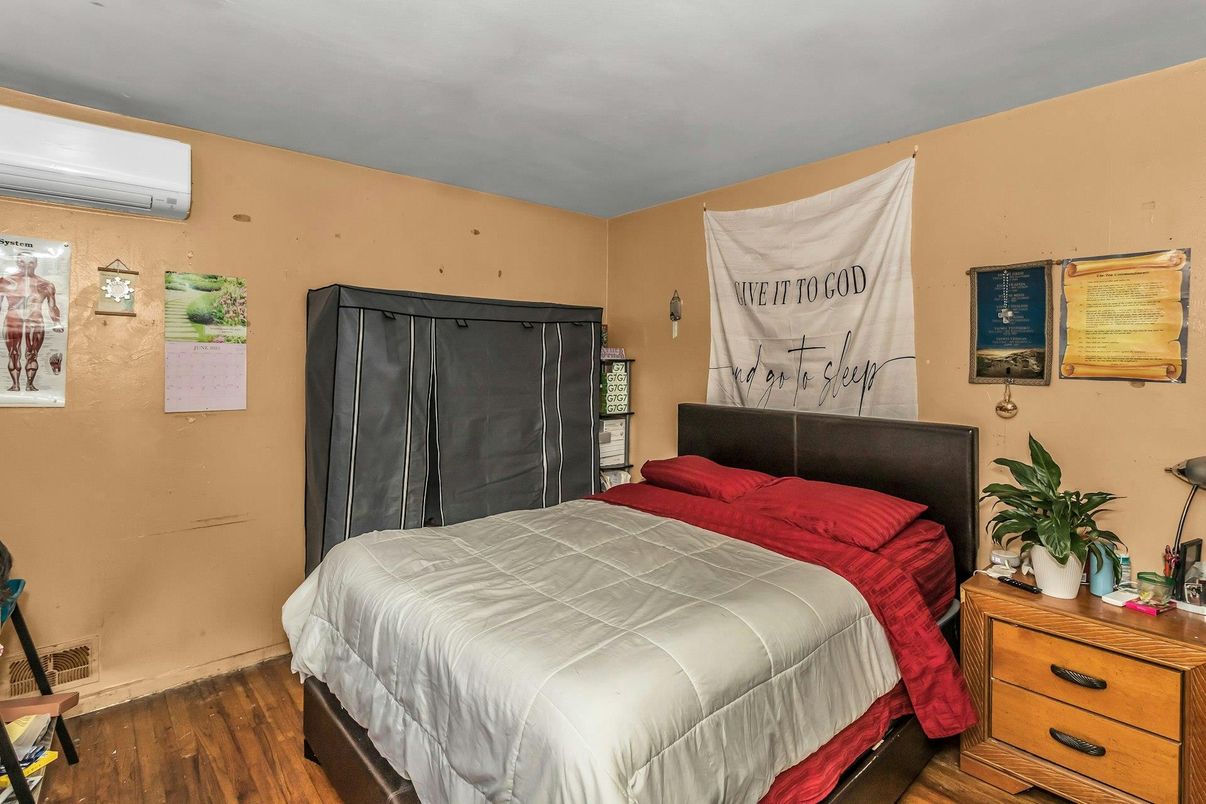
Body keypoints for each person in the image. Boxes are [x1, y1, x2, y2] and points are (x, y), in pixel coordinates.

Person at [0, 252, 63, 392]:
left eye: (30, 262)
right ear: (17, 262)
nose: (27, 265)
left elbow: (52, 306)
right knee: (13, 353)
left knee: (33, 353)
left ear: (36, 264)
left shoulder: (46, 284)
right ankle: (15, 385)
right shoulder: (5, 281)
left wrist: (57, 322)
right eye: (22, 262)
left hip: (35, 320)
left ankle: (29, 385)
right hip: (12, 319)